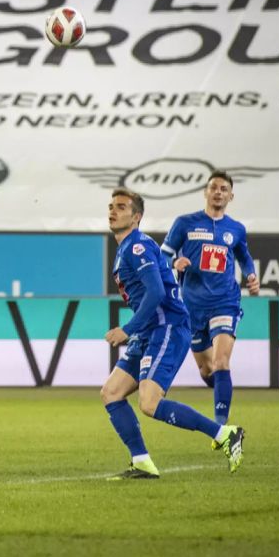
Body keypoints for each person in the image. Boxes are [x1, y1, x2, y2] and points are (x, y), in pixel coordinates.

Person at [100, 188, 245, 479]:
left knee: (149, 403)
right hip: (151, 330)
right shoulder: (128, 247)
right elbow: (160, 275)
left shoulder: (136, 246)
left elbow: (155, 291)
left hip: (167, 327)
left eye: (121, 207)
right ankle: (141, 462)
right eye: (111, 206)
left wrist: (127, 329)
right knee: (112, 393)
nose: (112, 211)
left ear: (136, 217)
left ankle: (224, 434)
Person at [160, 171, 259, 429]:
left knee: (221, 361)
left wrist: (251, 274)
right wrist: (174, 262)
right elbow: (161, 255)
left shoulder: (235, 229)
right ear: (205, 192)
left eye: (223, 189)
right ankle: (223, 393)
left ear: (231, 196)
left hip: (225, 301)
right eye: (213, 187)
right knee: (207, 370)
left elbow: (244, 257)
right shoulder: (184, 223)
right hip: (192, 306)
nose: (218, 192)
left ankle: (221, 427)